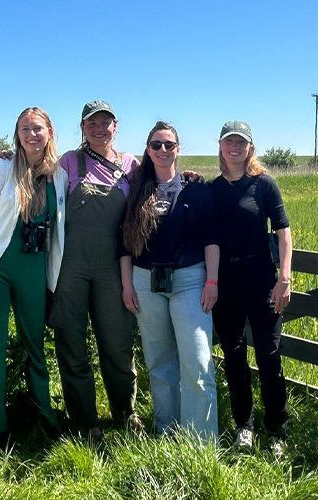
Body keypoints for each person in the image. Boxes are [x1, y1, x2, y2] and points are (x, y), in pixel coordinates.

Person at [0, 107, 67, 449]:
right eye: (24, 128)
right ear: (17, 134)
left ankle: (44, 416)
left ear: (49, 132)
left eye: (37, 128)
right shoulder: (3, 169)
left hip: (35, 268)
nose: (31, 134)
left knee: (35, 345)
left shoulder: (59, 174)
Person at [120, 121, 219, 443]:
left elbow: (211, 240)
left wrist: (212, 282)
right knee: (159, 361)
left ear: (178, 149)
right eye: (156, 145)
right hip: (145, 281)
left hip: (190, 280)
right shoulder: (135, 188)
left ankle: (201, 442)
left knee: (197, 359)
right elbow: (123, 244)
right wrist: (127, 285)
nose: (163, 150)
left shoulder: (195, 188)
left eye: (169, 145)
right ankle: (167, 431)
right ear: (147, 150)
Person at [49, 100, 141, 439]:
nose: (99, 129)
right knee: (71, 343)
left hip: (113, 268)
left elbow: (162, 178)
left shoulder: (132, 165)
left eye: (106, 123)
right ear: (83, 128)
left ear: (116, 126)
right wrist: (8, 158)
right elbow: (32, 177)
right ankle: (85, 421)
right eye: (92, 124)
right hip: (70, 267)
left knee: (117, 343)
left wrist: (190, 177)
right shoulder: (68, 162)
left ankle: (125, 412)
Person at [209, 120, 293, 458]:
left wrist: (284, 278)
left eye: (241, 142)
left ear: (250, 148)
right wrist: (212, 282)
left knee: (269, 357)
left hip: (261, 281)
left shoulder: (264, 185)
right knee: (234, 356)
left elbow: (284, 231)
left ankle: (277, 429)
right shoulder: (213, 189)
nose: (235, 147)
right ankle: (244, 425)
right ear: (220, 147)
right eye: (229, 141)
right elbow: (211, 238)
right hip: (227, 285)